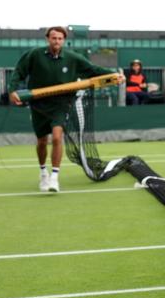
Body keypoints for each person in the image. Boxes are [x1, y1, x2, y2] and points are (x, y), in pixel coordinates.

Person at [8, 26, 123, 193]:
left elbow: (93, 70)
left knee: (56, 137)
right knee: (41, 142)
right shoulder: (34, 54)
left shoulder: (72, 57)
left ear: (64, 40)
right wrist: (12, 91)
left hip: (61, 104)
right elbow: (19, 72)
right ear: (48, 39)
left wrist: (113, 75)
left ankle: (54, 177)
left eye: (60, 38)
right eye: (54, 38)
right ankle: (43, 173)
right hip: (38, 104)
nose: (57, 41)